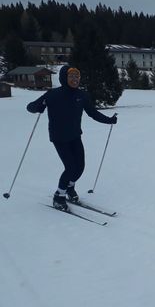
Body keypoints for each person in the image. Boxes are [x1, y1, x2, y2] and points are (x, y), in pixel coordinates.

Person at [26, 65, 117, 211]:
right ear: (64, 78)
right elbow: (30, 107)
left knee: (80, 167)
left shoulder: (82, 96)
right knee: (70, 167)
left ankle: (69, 188)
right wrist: (38, 106)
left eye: (77, 77)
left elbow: (93, 113)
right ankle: (59, 196)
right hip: (59, 137)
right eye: (71, 77)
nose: (75, 79)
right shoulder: (52, 95)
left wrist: (109, 120)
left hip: (75, 135)